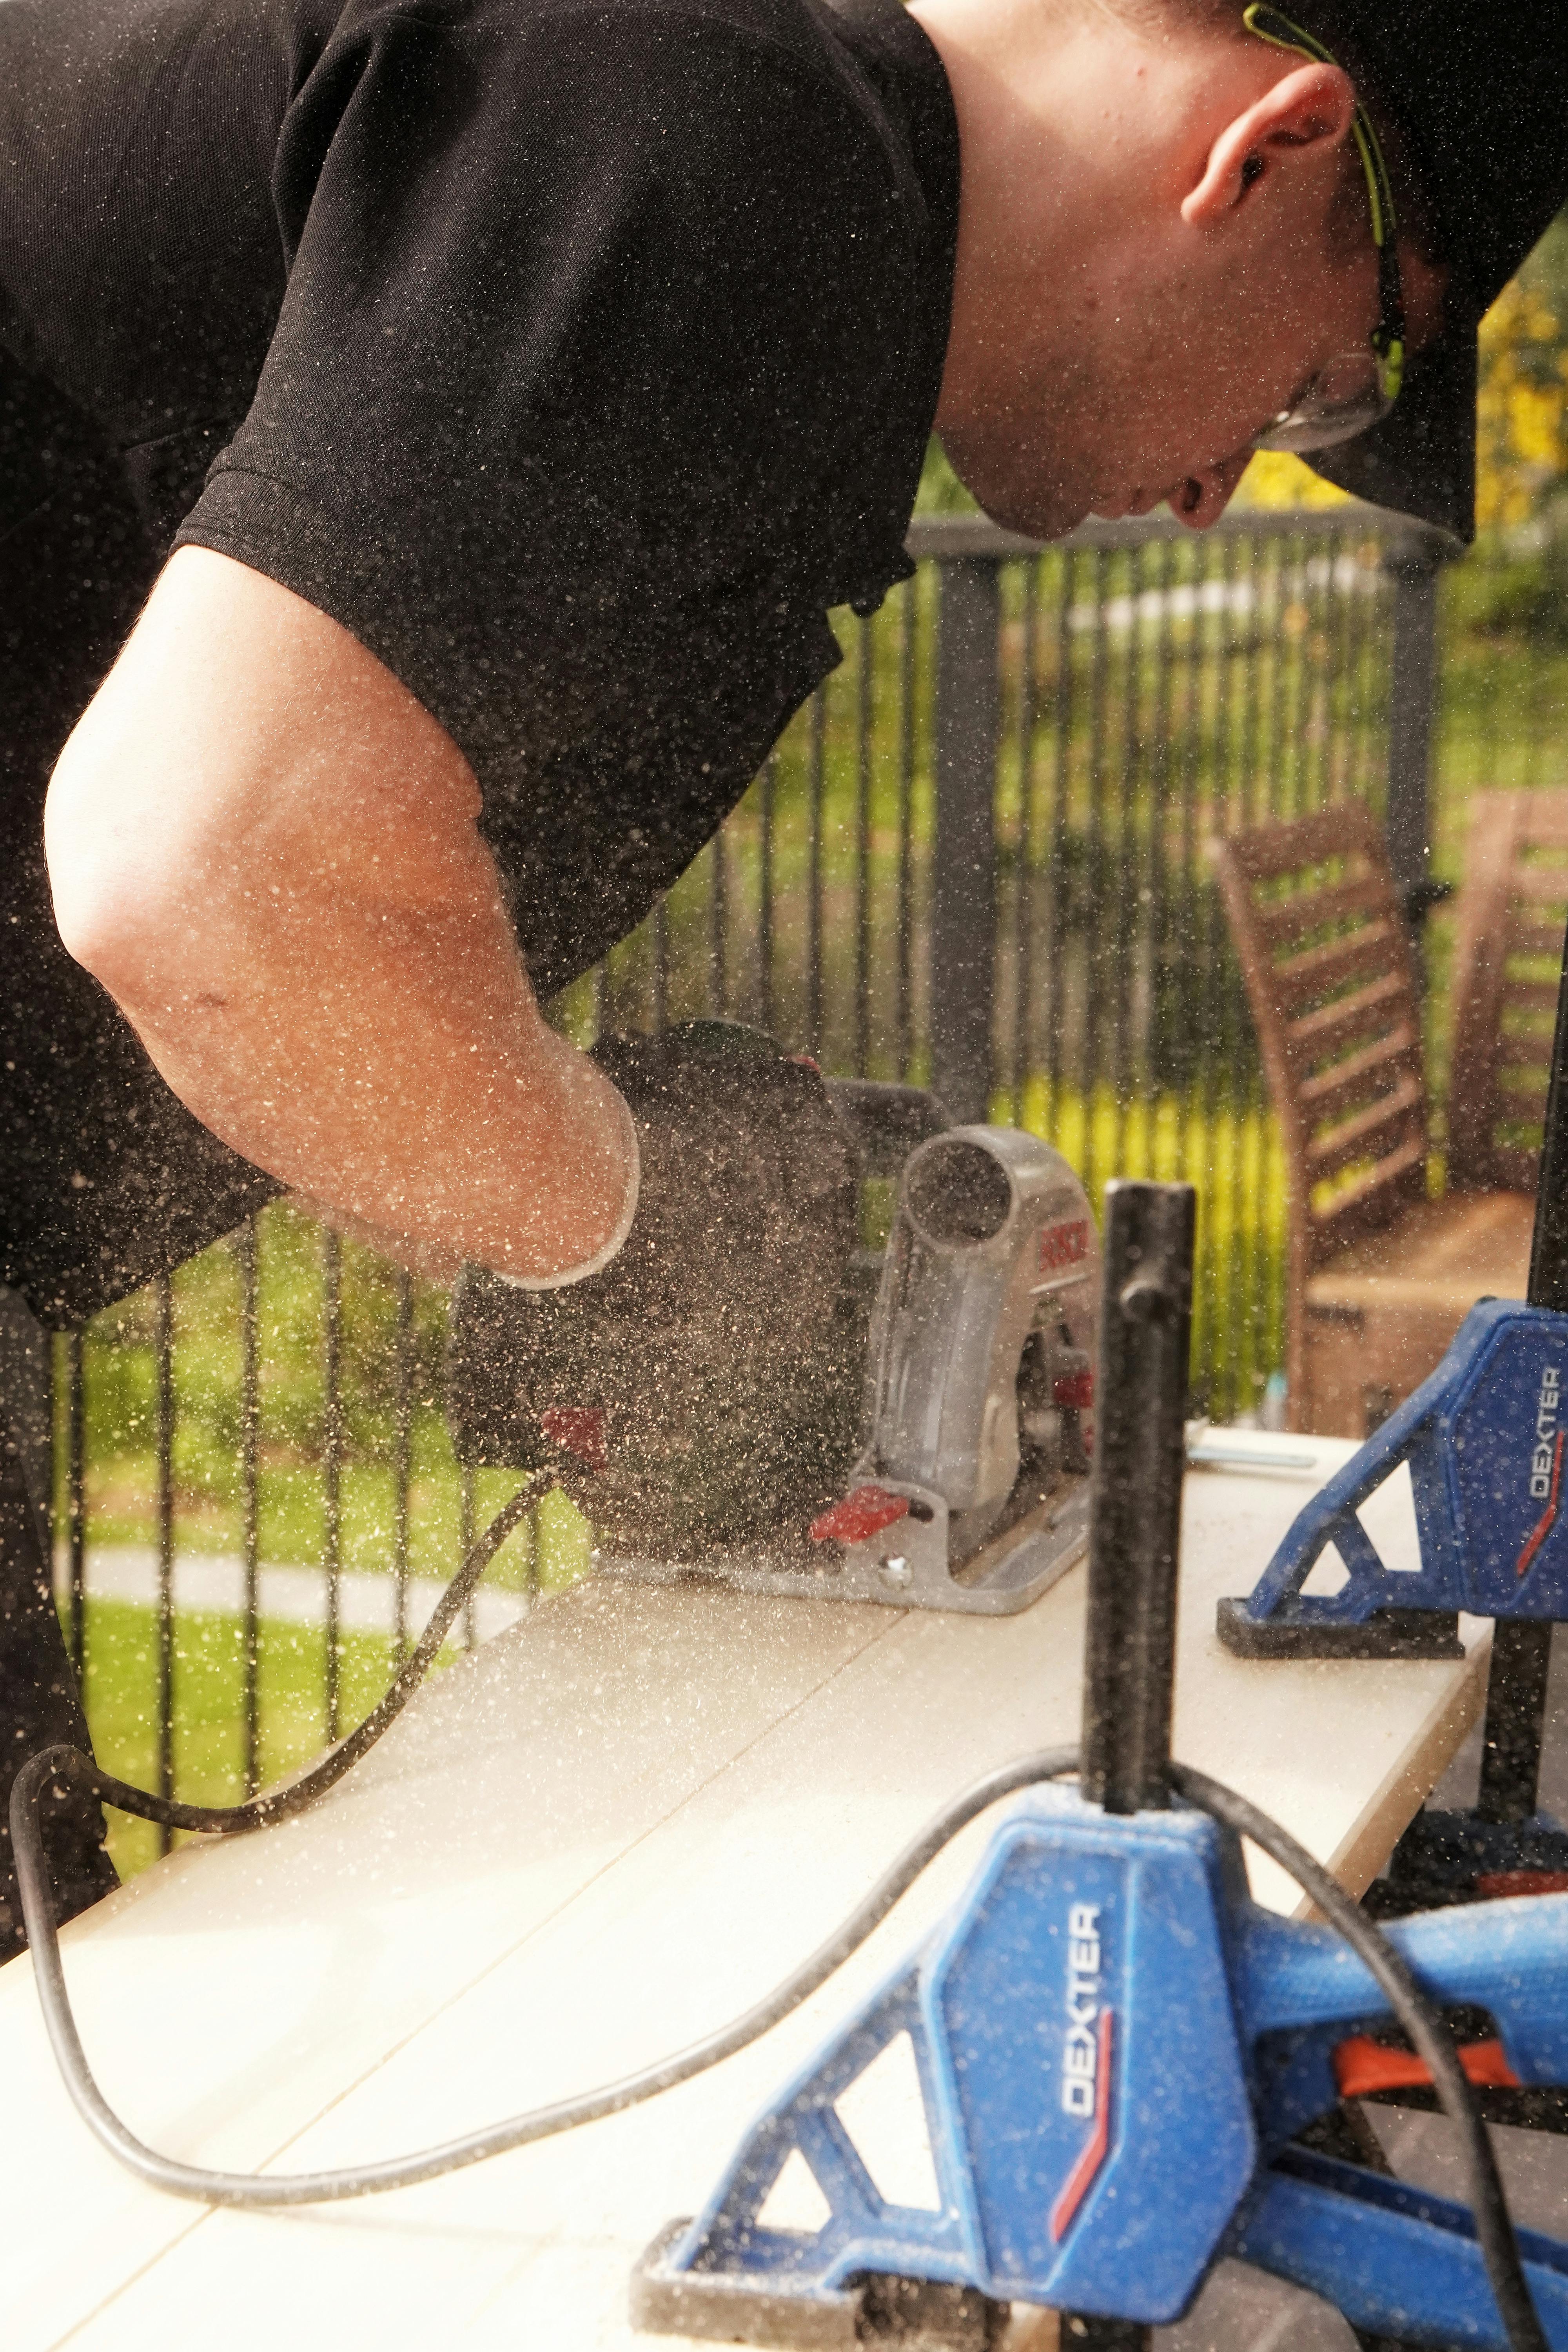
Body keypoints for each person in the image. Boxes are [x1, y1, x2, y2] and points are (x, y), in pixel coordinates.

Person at [0, 0, 1563, 1953]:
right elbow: (203, 876)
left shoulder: (761, 174)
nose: (1218, 495)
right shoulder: (734, 114)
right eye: (1327, 388)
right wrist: (648, 1243)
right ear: (1265, 151)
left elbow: (309, 932)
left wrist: (602, 1225)